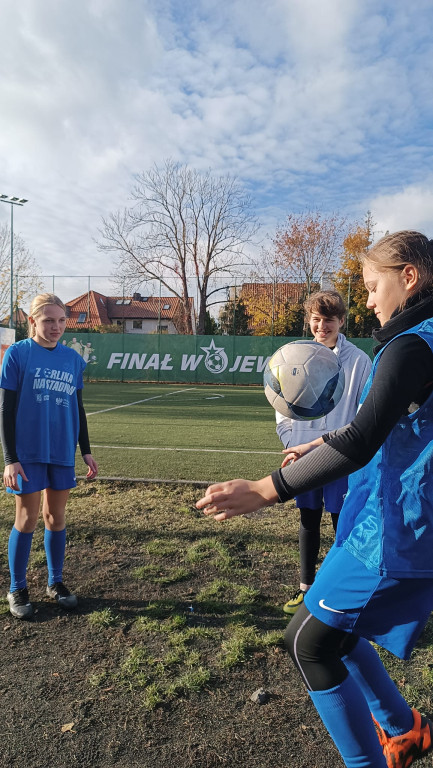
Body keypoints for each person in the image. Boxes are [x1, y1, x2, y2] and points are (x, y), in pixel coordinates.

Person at [197, 230, 433, 768]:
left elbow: (362, 440)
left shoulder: (413, 343)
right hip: (389, 521)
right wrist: (321, 441)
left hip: (396, 532)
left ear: (410, 277)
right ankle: (404, 730)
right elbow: (384, 427)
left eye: (374, 286)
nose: (369, 299)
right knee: (328, 632)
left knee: (309, 643)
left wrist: (263, 490)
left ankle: (376, 754)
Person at [1, 293, 98, 620]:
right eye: (48, 321)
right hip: (27, 453)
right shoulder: (17, 354)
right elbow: (5, 408)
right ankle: (17, 587)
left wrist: (85, 451)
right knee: (27, 519)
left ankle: (55, 583)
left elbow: (79, 408)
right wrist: (9, 458)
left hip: (60, 450)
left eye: (61, 320)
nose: (56, 327)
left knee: (55, 518)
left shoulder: (72, 360)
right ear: (32, 322)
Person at [276, 290, 371, 614]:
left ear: (341, 321)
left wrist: (337, 445)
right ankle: (306, 589)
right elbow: (281, 408)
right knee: (308, 521)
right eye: (316, 319)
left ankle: (342, 594)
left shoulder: (358, 361)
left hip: (340, 457)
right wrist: (291, 443)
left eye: (328, 320)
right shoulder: (293, 357)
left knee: (342, 524)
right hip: (302, 457)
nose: (321, 326)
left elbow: (363, 416)